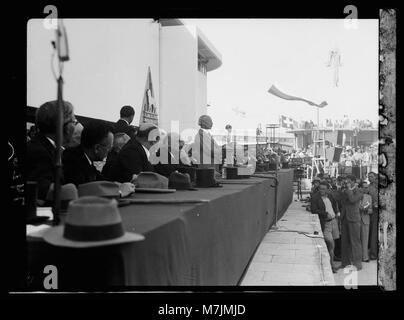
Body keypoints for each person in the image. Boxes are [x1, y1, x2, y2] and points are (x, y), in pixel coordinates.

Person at [26, 100, 76, 201]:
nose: (75, 126)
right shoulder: (39, 152)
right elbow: (42, 191)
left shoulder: (45, 146)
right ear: (65, 127)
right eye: (74, 122)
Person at [63, 120, 113, 186]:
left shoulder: (85, 157)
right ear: (97, 148)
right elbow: (87, 191)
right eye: (109, 147)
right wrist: (120, 192)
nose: (110, 151)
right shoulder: (72, 162)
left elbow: (100, 179)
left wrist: (119, 186)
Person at [311, 181, 340, 272]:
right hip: (325, 223)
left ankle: (330, 263)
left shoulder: (330, 196)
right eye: (320, 189)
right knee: (330, 242)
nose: (321, 191)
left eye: (324, 189)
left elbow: (334, 206)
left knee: (333, 243)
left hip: (334, 222)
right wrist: (325, 214)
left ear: (328, 189)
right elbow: (314, 210)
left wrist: (336, 213)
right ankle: (331, 265)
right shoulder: (315, 198)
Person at [340, 175, 363, 270]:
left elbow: (353, 200)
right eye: (346, 182)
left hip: (354, 218)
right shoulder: (346, 190)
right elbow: (341, 200)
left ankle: (357, 264)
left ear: (354, 181)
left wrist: (348, 190)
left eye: (349, 181)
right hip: (344, 217)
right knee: (344, 241)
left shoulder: (359, 191)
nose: (347, 183)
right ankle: (345, 263)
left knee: (355, 242)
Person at [359, 181, 373, 262]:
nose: (367, 189)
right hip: (356, 219)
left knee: (365, 239)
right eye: (365, 187)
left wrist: (367, 210)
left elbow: (371, 209)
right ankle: (357, 257)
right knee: (357, 239)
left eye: (367, 187)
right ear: (360, 188)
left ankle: (365, 257)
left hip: (365, 219)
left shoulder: (369, 197)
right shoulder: (356, 195)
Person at [368, 172, 378, 260]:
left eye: (371, 176)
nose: (369, 178)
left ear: (375, 177)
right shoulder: (368, 187)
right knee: (374, 233)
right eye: (368, 177)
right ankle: (373, 254)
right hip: (373, 212)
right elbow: (366, 199)